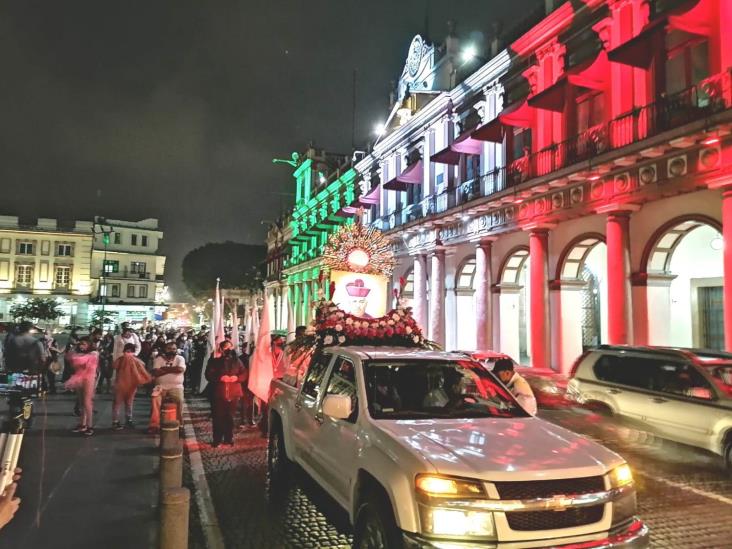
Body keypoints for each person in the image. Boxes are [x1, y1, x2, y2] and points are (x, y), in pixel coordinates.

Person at [205, 340, 247, 447]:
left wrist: (237, 378)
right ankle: (217, 439)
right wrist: (220, 378)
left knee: (230, 417)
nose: (228, 350)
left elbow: (244, 373)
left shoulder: (237, 361)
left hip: (233, 393)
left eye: (230, 347)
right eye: (226, 348)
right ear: (221, 349)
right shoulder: (214, 361)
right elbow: (208, 374)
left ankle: (229, 438)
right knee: (218, 417)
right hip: (219, 393)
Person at [112, 343, 152, 430]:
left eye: (130, 351)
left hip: (126, 385)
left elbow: (114, 366)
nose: (128, 353)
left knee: (126, 404)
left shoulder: (123, 359)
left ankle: (125, 420)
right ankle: (118, 421)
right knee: (121, 404)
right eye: (127, 351)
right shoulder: (132, 360)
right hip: (126, 385)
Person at [148, 341, 186, 434]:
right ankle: (154, 425)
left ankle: (180, 425)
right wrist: (173, 370)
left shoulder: (180, 358)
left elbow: (180, 369)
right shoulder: (159, 359)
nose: (172, 351)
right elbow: (156, 372)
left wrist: (164, 369)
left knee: (179, 402)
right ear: (165, 349)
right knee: (155, 402)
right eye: (169, 349)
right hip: (160, 387)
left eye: (174, 349)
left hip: (176, 387)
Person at [65, 337, 99, 435]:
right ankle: (82, 424)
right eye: (80, 344)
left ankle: (90, 425)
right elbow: (69, 359)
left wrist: (74, 354)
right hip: (79, 377)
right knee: (81, 402)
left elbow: (79, 360)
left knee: (87, 402)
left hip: (89, 378)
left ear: (89, 344)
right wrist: (74, 348)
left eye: (84, 344)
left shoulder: (94, 353)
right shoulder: (80, 353)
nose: (81, 346)